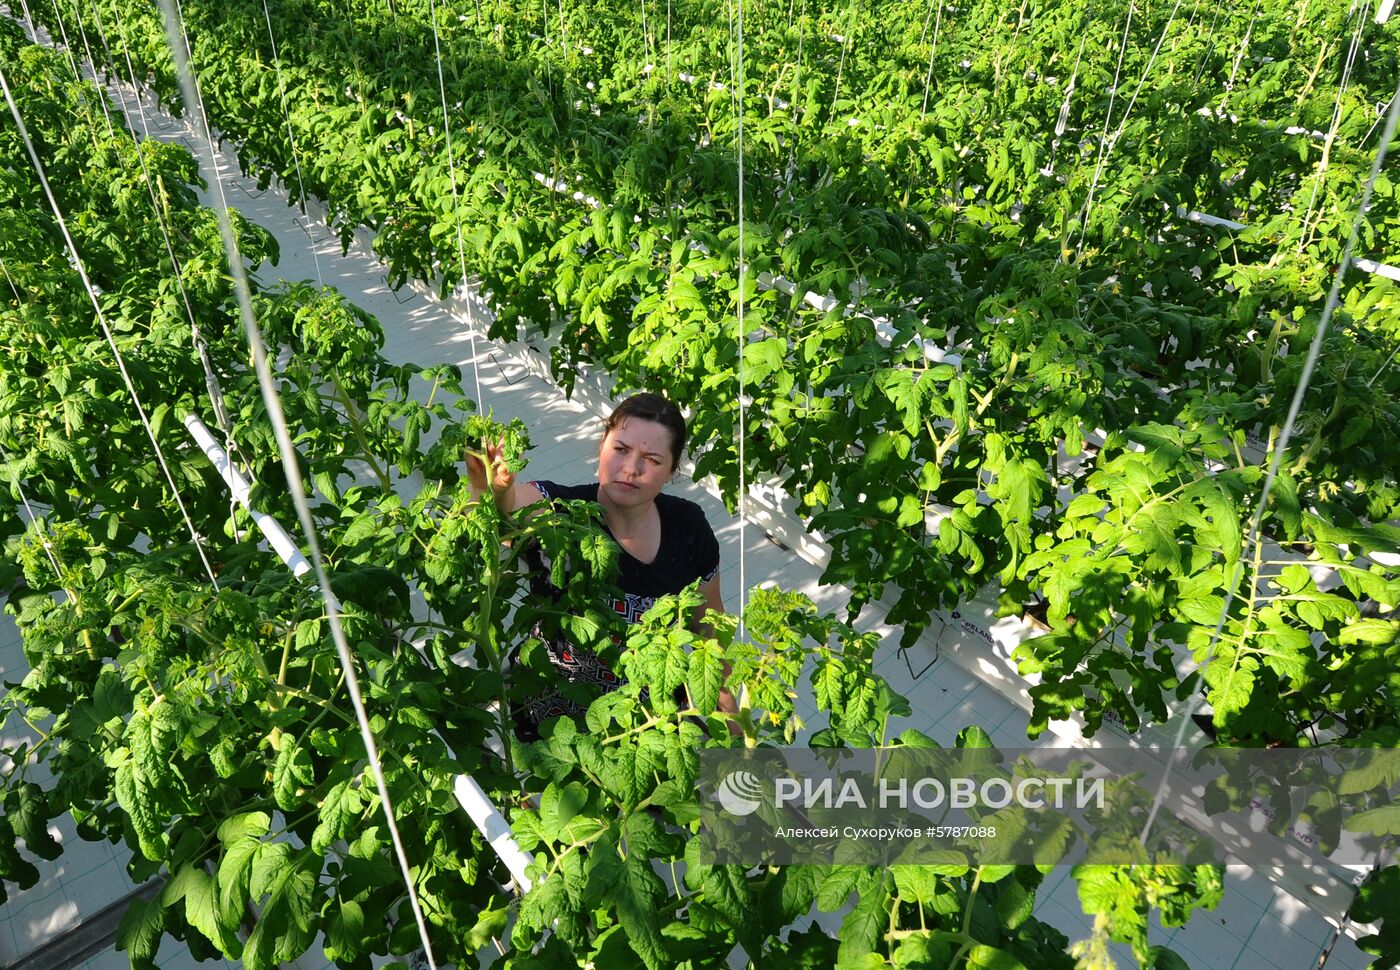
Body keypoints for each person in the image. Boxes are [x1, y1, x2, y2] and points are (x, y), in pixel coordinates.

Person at [465, 392, 736, 740]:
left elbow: (710, 628)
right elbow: (513, 507)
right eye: (621, 449)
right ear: (601, 447)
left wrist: (735, 726)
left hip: (645, 713)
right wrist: (493, 488)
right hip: (555, 706)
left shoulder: (689, 526)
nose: (631, 468)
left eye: (651, 459)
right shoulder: (564, 514)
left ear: (671, 471)